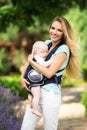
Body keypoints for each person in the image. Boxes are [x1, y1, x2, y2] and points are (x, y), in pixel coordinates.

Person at [21, 16, 81, 130]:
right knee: (25, 127)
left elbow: (49, 73)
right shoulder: (46, 43)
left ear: (64, 33)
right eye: (53, 28)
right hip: (36, 93)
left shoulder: (63, 50)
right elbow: (31, 60)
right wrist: (22, 77)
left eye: (59, 30)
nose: (54, 32)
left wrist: (31, 62)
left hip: (50, 95)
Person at [23, 41, 53, 117]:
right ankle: (35, 110)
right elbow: (44, 65)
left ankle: (30, 99)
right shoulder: (37, 58)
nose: (45, 54)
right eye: (42, 52)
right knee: (37, 95)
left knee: (33, 94)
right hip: (33, 79)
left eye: (46, 51)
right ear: (35, 52)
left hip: (31, 79)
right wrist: (51, 60)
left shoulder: (35, 57)